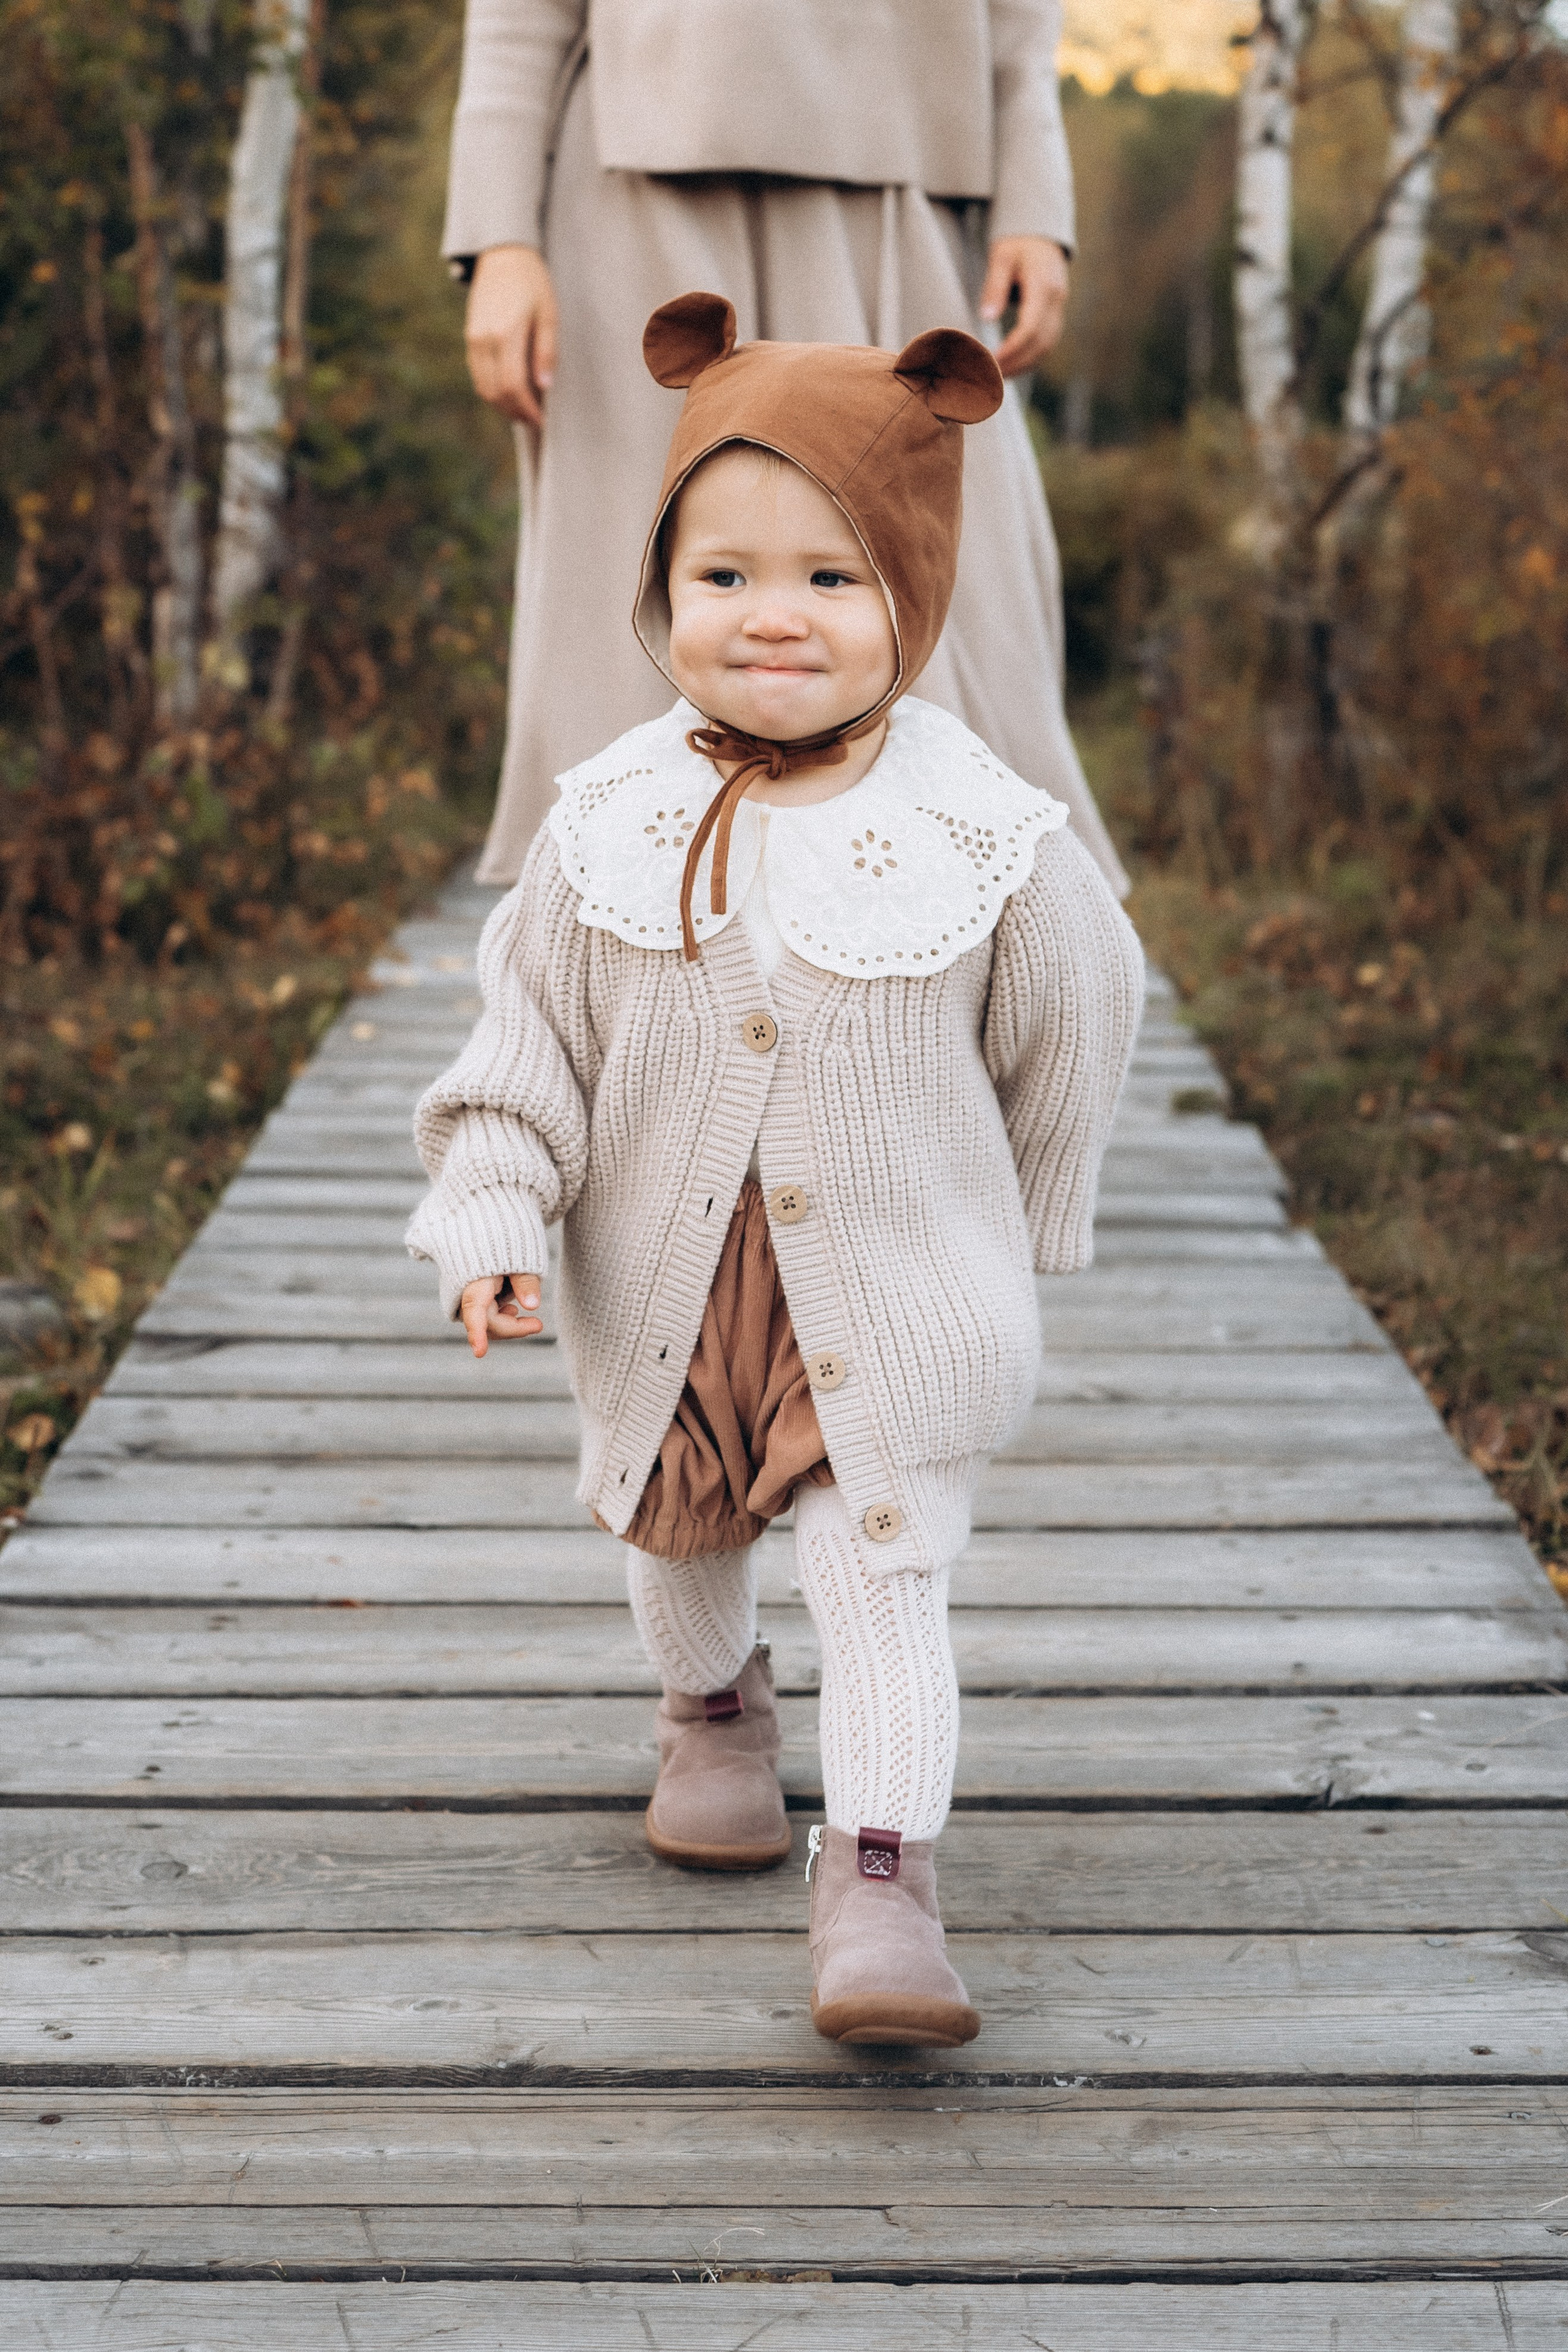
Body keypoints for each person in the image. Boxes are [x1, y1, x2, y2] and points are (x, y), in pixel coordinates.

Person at [407, 298, 1142, 2048]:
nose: (773, 619)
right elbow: (523, 1059)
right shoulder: (606, 826)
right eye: (723, 576)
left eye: (831, 577)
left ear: (912, 592)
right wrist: (495, 1216)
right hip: (665, 1284)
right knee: (681, 1526)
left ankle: (882, 1871)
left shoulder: (987, 834)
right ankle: (711, 1710)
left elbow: (1080, 1014)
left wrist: (1030, 1211)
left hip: (886, 1291)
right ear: (665, 595)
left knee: (876, 1557)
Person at [445, 0, 1129, 897]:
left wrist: (1035, 195)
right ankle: (609, 934)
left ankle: (986, 937)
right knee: (636, 577)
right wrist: (500, 235)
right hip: (634, 171)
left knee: (936, 565)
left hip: (906, 163)